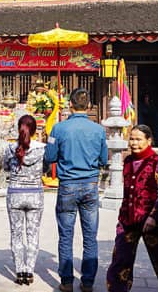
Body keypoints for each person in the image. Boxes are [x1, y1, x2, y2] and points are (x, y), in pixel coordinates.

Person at [44, 88, 107, 292]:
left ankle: (66, 282)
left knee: (66, 235)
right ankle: (87, 282)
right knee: (90, 237)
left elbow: (50, 156)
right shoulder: (98, 130)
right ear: (88, 106)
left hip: (68, 185)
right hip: (90, 185)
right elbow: (104, 159)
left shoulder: (58, 129)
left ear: (70, 105)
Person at [106, 125, 158, 292]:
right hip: (128, 218)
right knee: (120, 257)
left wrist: (154, 216)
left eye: (138, 139)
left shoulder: (157, 161)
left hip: (151, 219)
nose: (134, 143)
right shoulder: (127, 160)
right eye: (132, 139)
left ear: (149, 140)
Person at [3, 115, 45, 286]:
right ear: (34, 130)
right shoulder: (42, 149)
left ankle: (19, 270)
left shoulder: (10, 148)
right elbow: (45, 168)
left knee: (16, 234)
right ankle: (29, 271)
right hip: (35, 195)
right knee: (33, 234)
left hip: (15, 195)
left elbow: (6, 167)